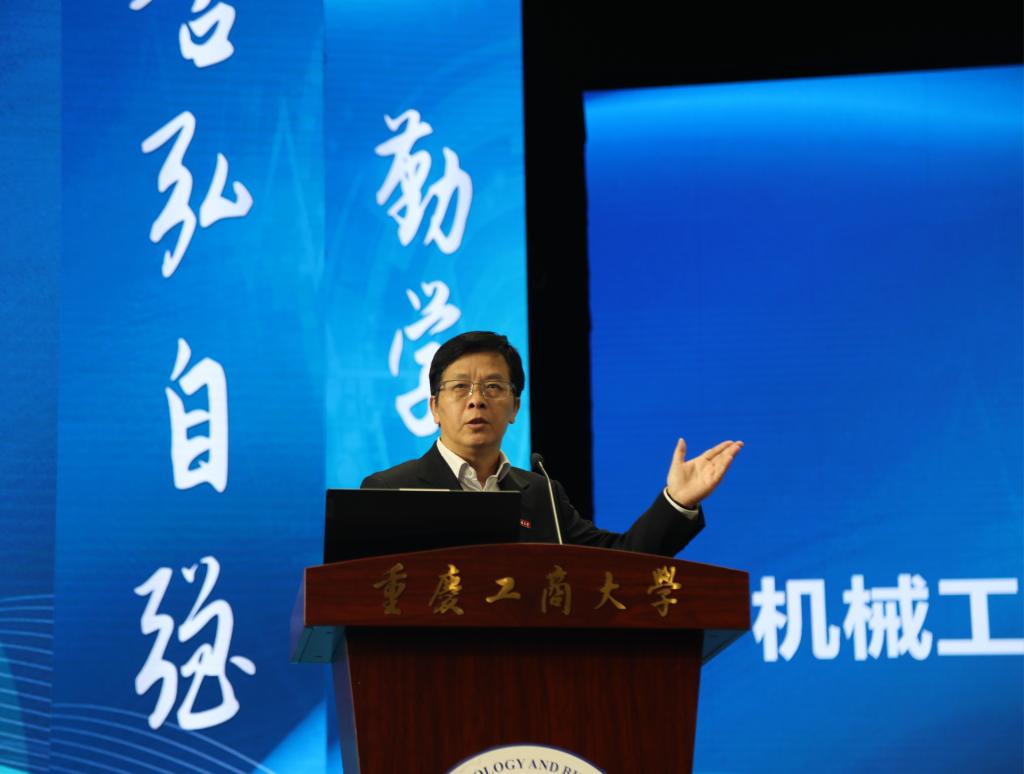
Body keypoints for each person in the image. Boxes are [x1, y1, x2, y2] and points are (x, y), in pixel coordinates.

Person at [361, 331, 742, 557]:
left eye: (493, 387)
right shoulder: (390, 490)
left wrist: (677, 501)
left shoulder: (541, 494)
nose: (476, 400)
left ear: (514, 407)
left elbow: (620, 561)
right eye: (460, 387)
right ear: (434, 407)